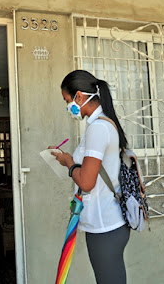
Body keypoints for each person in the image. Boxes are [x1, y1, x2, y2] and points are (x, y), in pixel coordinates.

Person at [51, 70, 130, 284]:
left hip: (105, 226)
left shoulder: (99, 128)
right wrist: (69, 160)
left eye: (66, 100)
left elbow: (86, 181)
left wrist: (69, 163)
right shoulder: (103, 124)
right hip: (109, 222)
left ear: (78, 96)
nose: (67, 107)